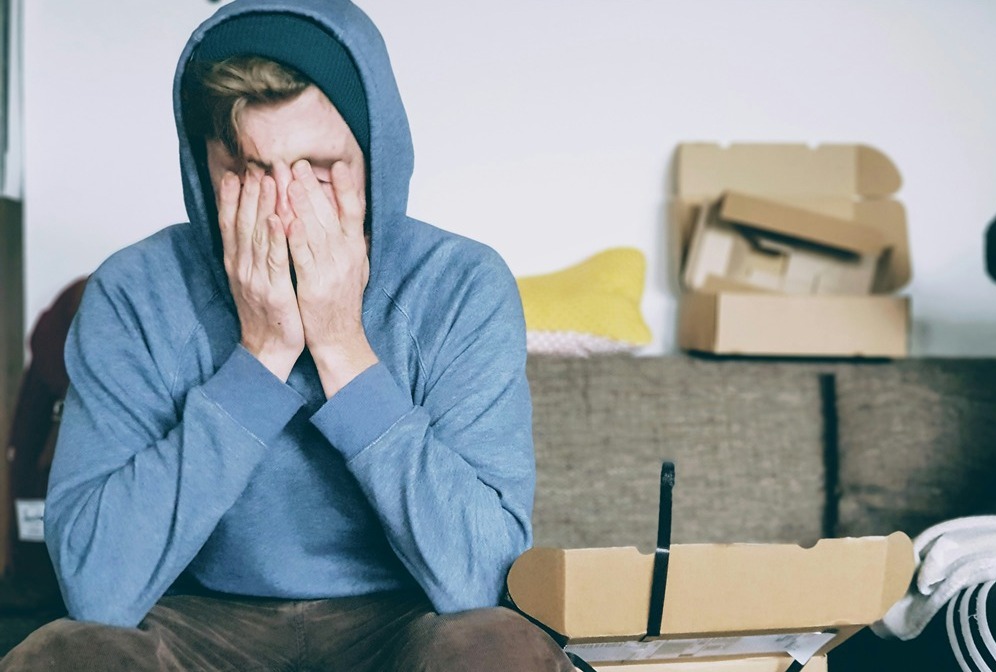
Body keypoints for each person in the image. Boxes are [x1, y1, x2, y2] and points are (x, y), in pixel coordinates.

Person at [0, 0, 573, 669]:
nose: (283, 208)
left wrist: (341, 348)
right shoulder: (133, 292)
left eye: (320, 168)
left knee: (497, 648)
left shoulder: (461, 286)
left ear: (375, 159)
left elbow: (482, 581)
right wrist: (263, 353)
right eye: (246, 170)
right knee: (66, 656)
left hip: (404, 619)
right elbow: (99, 589)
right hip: (194, 622)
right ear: (203, 168)